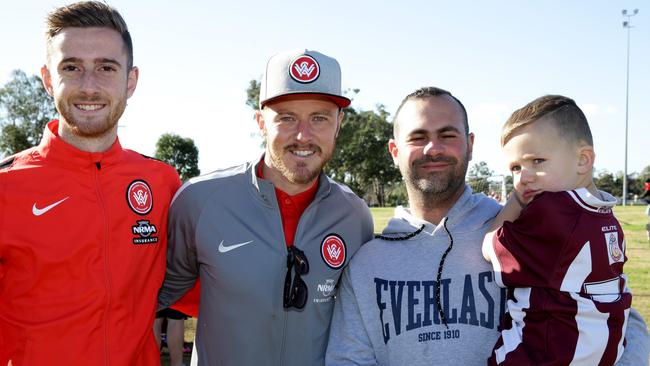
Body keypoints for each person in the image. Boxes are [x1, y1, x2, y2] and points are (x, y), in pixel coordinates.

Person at [325, 87, 650, 365]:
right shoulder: (367, 263)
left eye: (447, 135)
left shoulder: (523, 229)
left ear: (469, 144)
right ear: (395, 152)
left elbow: (618, 316)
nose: (433, 148)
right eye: (418, 137)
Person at [158, 49, 374, 366]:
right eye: (286, 118)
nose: (303, 135)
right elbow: (162, 298)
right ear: (261, 122)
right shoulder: (199, 200)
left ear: (338, 124)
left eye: (320, 118)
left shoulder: (355, 217)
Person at [0, 2, 181, 365]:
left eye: (106, 67)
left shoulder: (163, 184)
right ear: (49, 79)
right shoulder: (6, 188)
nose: (88, 86)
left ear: (130, 81)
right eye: (71, 67)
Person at [482, 95, 630, 365]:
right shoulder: (606, 215)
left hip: (538, 355)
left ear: (583, 161)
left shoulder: (552, 212)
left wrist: (516, 200)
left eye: (537, 161)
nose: (523, 178)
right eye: (515, 168)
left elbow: (490, 246)